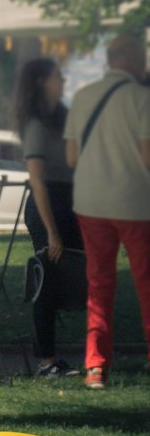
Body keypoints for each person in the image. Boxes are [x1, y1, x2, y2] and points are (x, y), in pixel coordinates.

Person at [65, 31, 150, 388]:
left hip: (90, 203)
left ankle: (95, 367)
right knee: (146, 283)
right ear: (134, 60)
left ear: (109, 60)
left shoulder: (83, 97)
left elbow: (72, 157)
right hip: (134, 203)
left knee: (99, 283)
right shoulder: (142, 99)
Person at [13, 58, 83, 378]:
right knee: (48, 283)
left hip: (70, 201)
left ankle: (59, 356)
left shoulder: (63, 117)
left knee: (72, 277)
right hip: (47, 206)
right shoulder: (36, 124)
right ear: (42, 81)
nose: (63, 81)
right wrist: (52, 232)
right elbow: (37, 181)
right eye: (57, 76)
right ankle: (47, 360)